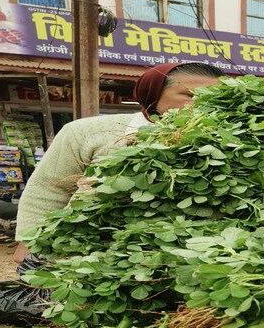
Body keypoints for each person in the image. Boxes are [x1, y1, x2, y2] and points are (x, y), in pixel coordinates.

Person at [13, 62, 225, 262]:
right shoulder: (85, 131)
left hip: (186, 254)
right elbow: (48, 188)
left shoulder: (227, 141)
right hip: (89, 251)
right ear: (153, 93)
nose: (201, 104)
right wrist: (29, 241)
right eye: (189, 95)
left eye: (213, 97)